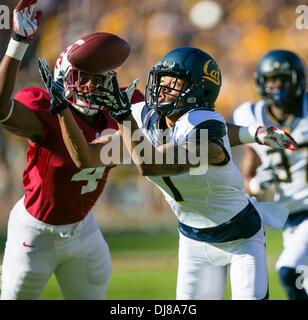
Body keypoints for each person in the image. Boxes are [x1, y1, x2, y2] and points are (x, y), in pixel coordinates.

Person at [46, 45, 298, 300]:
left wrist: (122, 116)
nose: (161, 87)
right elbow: (85, 158)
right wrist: (61, 110)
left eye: (173, 82)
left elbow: (152, 163)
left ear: (199, 89)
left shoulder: (203, 125)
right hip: (193, 240)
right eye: (161, 79)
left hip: (241, 239)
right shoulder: (145, 119)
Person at [0, 0, 143, 300]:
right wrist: (18, 44)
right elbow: (1, 110)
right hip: (34, 234)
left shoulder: (123, 111)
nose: (91, 86)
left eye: (99, 77)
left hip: (83, 231)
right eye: (83, 76)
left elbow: (92, 156)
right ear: (63, 77)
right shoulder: (44, 108)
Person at [233, 49, 308, 300]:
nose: (277, 86)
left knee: (289, 271)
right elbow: (245, 181)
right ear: (260, 83)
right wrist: (255, 183)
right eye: (271, 80)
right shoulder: (249, 116)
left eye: (284, 78)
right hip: (289, 217)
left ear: (298, 80)